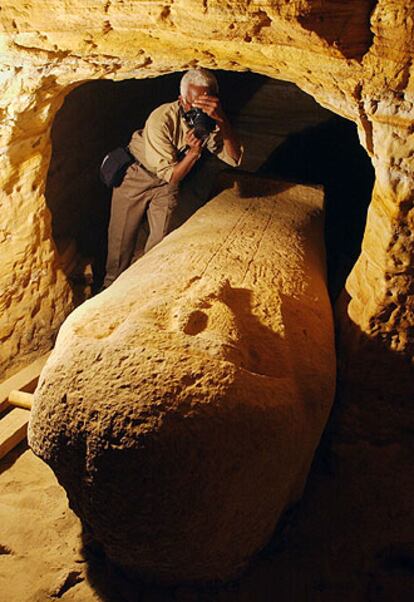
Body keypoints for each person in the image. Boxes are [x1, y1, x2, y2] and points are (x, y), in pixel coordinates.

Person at [103, 68, 243, 288]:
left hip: (167, 183)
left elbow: (235, 158)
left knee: (160, 242)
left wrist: (222, 120)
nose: (199, 111)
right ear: (181, 100)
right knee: (121, 243)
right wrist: (194, 153)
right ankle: (109, 288)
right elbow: (172, 174)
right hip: (137, 176)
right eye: (194, 104)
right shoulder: (162, 118)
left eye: (205, 105)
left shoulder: (209, 122)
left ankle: (142, 288)